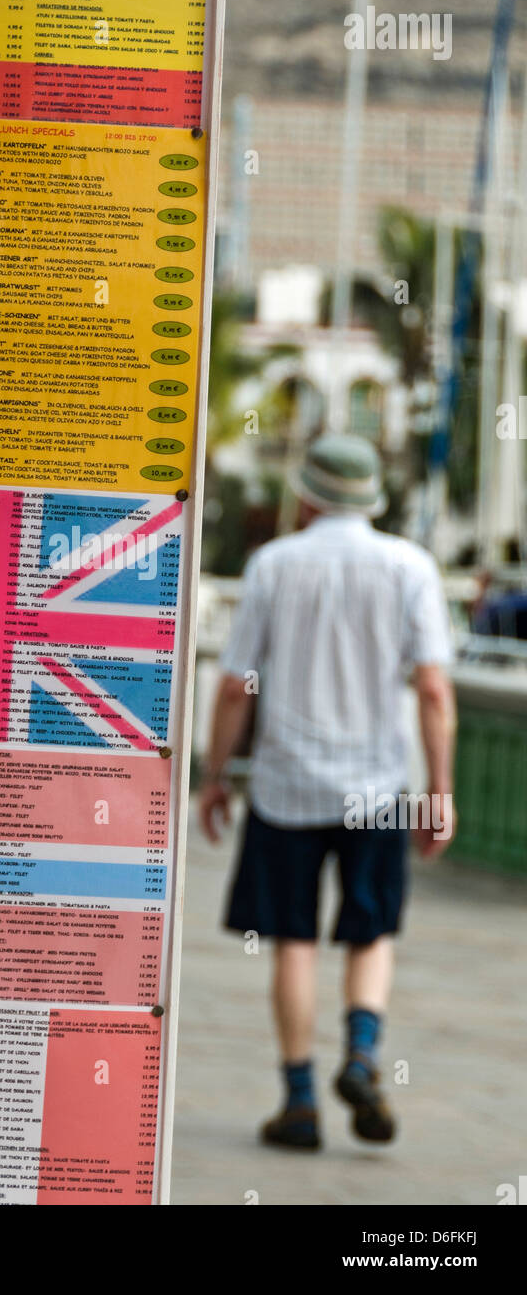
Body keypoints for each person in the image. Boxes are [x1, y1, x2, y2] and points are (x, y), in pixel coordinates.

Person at [199, 433, 456, 1150]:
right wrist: (439, 790)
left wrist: (216, 777)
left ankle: (301, 1100)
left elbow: (232, 685)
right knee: (371, 930)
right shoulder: (410, 566)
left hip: (287, 786)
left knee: (293, 940)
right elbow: (434, 688)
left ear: (306, 495)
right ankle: (365, 1054)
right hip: (377, 786)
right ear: (374, 497)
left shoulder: (273, 564)